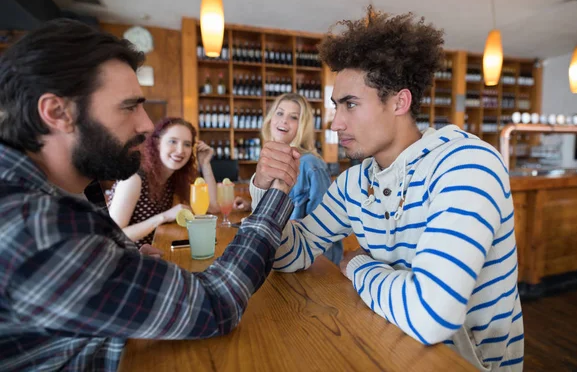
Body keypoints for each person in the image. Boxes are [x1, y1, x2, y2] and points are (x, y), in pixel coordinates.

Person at [0, 18, 299, 371]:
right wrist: (277, 195)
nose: (145, 125)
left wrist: (114, 264)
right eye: (129, 106)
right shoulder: (34, 227)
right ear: (57, 113)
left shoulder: (58, 193)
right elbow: (215, 304)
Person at [250, 8, 523, 371]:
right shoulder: (355, 182)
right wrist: (266, 189)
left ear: (399, 102)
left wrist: (359, 266)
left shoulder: (466, 164)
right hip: (391, 344)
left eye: (350, 104)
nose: (335, 123)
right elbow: (289, 255)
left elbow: (432, 315)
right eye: (336, 106)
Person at [251, 93, 343, 265]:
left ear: (303, 126)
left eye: (293, 117)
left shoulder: (311, 165)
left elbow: (324, 226)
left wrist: (282, 225)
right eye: (279, 113)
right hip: (275, 256)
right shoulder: (270, 161)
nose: (284, 121)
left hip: (312, 265)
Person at [108, 117, 220, 248]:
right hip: (125, 259)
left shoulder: (175, 178)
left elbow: (213, 207)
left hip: (154, 253)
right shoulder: (134, 179)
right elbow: (113, 235)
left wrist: (205, 164)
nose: (180, 150)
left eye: (187, 144)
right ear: (157, 144)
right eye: (173, 141)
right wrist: (164, 217)